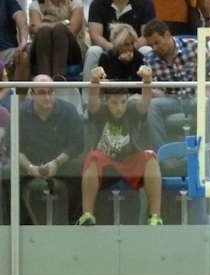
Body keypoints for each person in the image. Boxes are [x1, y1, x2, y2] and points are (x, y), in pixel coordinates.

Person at [75, 65, 163, 226]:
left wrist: (147, 80)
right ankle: (87, 215)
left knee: (151, 156)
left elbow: (145, 101)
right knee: (92, 156)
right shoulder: (100, 111)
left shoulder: (132, 110)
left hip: (129, 161)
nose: (119, 107)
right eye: (114, 103)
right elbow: (92, 101)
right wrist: (94, 80)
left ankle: (155, 216)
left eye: (123, 102)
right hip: (106, 164)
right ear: (106, 101)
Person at [2, 74, 83, 225]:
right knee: (7, 172)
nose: (47, 97)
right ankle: (21, 224)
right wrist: (30, 168)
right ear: (32, 94)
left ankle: (75, 222)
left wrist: (56, 163)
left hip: (61, 163)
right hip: (29, 163)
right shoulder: (19, 112)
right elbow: (12, 146)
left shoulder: (69, 110)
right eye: (41, 93)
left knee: (79, 167)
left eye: (51, 91)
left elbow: (77, 144)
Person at [142, 18, 198, 150]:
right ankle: (162, 154)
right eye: (151, 45)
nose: (154, 48)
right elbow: (154, 89)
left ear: (167, 35)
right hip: (171, 100)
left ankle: (208, 153)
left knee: (204, 102)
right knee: (152, 106)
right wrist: (154, 90)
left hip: (194, 97)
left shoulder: (194, 46)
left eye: (157, 42)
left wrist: (209, 91)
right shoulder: (149, 59)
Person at [28, 0, 86, 79]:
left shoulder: (76, 4)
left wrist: (45, 24)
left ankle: (59, 77)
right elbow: (35, 29)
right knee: (44, 31)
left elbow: (73, 30)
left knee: (60, 29)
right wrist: (64, 22)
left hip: (70, 49)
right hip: (42, 47)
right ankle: (45, 80)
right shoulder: (35, 5)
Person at [98, 23, 145, 88]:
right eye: (126, 44)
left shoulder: (139, 57)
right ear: (117, 44)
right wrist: (120, 63)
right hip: (112, 92)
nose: (130, 48)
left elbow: (139, 84)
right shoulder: (106, 57)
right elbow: (107, 80)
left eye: (132, 43)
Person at [0, 0, 29, 77]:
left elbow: (20, 16)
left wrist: (23, 42)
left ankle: (17, 85)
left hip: (6, 50)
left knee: (23, 56)